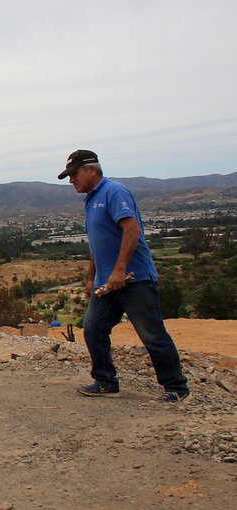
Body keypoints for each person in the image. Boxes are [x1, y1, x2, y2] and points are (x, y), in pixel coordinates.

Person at [59, 149, 190, 403]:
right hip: (106, 283)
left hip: (134, 278)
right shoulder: (91, 199)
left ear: (92, 170)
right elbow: (99, 244)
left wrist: (119, 270)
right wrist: (91, 277)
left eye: (74, 174)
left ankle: (176, 387)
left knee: (151, 334)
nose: (71, 180)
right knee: (93, 329)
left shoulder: (113, 192)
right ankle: (106, 381)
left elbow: (131, 229)